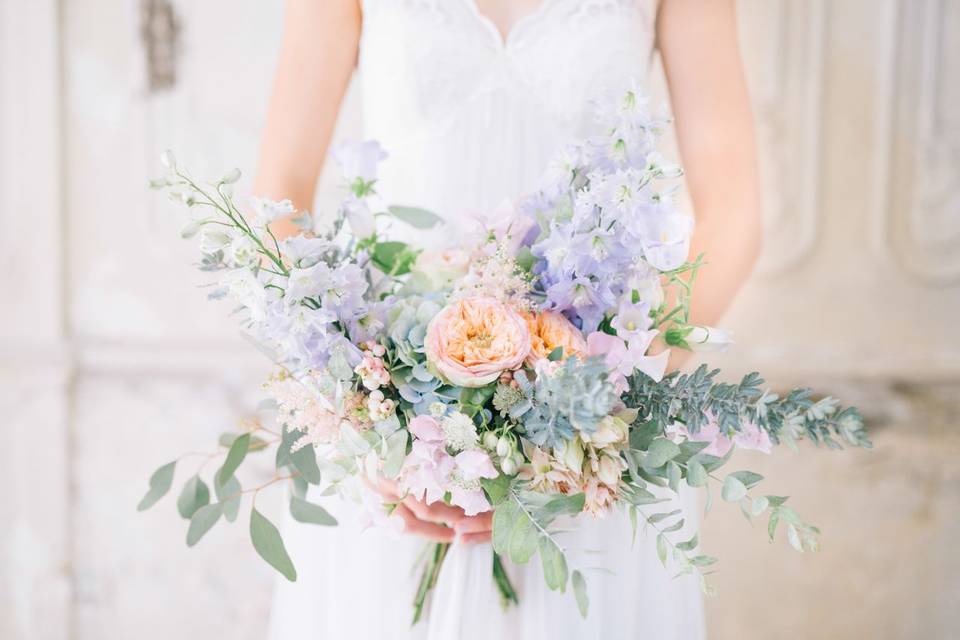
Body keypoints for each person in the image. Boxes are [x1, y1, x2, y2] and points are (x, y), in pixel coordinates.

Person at [256, 1, 761, 638]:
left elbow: (733, 215)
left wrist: (593, 414)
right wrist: (363, 413)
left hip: (596, 433)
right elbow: (279, 196)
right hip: (386, 430)